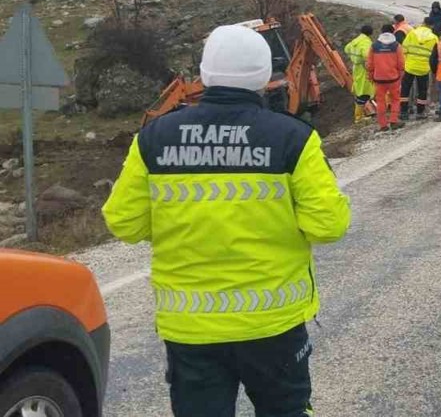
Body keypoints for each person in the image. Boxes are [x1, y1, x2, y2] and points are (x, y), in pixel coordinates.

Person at [102, 24, 351, 417]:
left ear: (204, 74)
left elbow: (123, 222)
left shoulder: (154, 138)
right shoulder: (293, 137)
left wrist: (181, 223)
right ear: (266, 78)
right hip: (272, 325)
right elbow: (328, 226)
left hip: (190, 328)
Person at [366, 24, 405, 131]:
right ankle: (393, 121)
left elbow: (369, 63)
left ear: (381, 32)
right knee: (395, 100)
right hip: (393, 78)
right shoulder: (396, 46)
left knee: (380, 101)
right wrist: (400, 74)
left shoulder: (374, 46)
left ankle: (383, 125)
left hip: (378, 78)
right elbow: (401, 63)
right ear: (393, 33)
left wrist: (371, 74)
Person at [401, 18, 439, 119]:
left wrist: (405, 62)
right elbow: (435, 55)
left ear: (423, 23)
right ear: (432, 26)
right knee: (422, 90)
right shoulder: (434, 38)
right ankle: (420, 112)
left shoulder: (412, 33)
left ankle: (403, 112)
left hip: (410, 66)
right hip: (424, 68)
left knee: (405, 89)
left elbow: (403, 49)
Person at [343, 25, 376, 122]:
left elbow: (346, 49)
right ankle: (359, 117)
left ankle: (359, 116)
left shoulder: (355, 41)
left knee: (359, 90)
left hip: (356, 68)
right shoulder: (366, 42)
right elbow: (367, 55)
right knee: (364, 92)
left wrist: (354, 58)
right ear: (370, 33)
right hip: (363, 68)